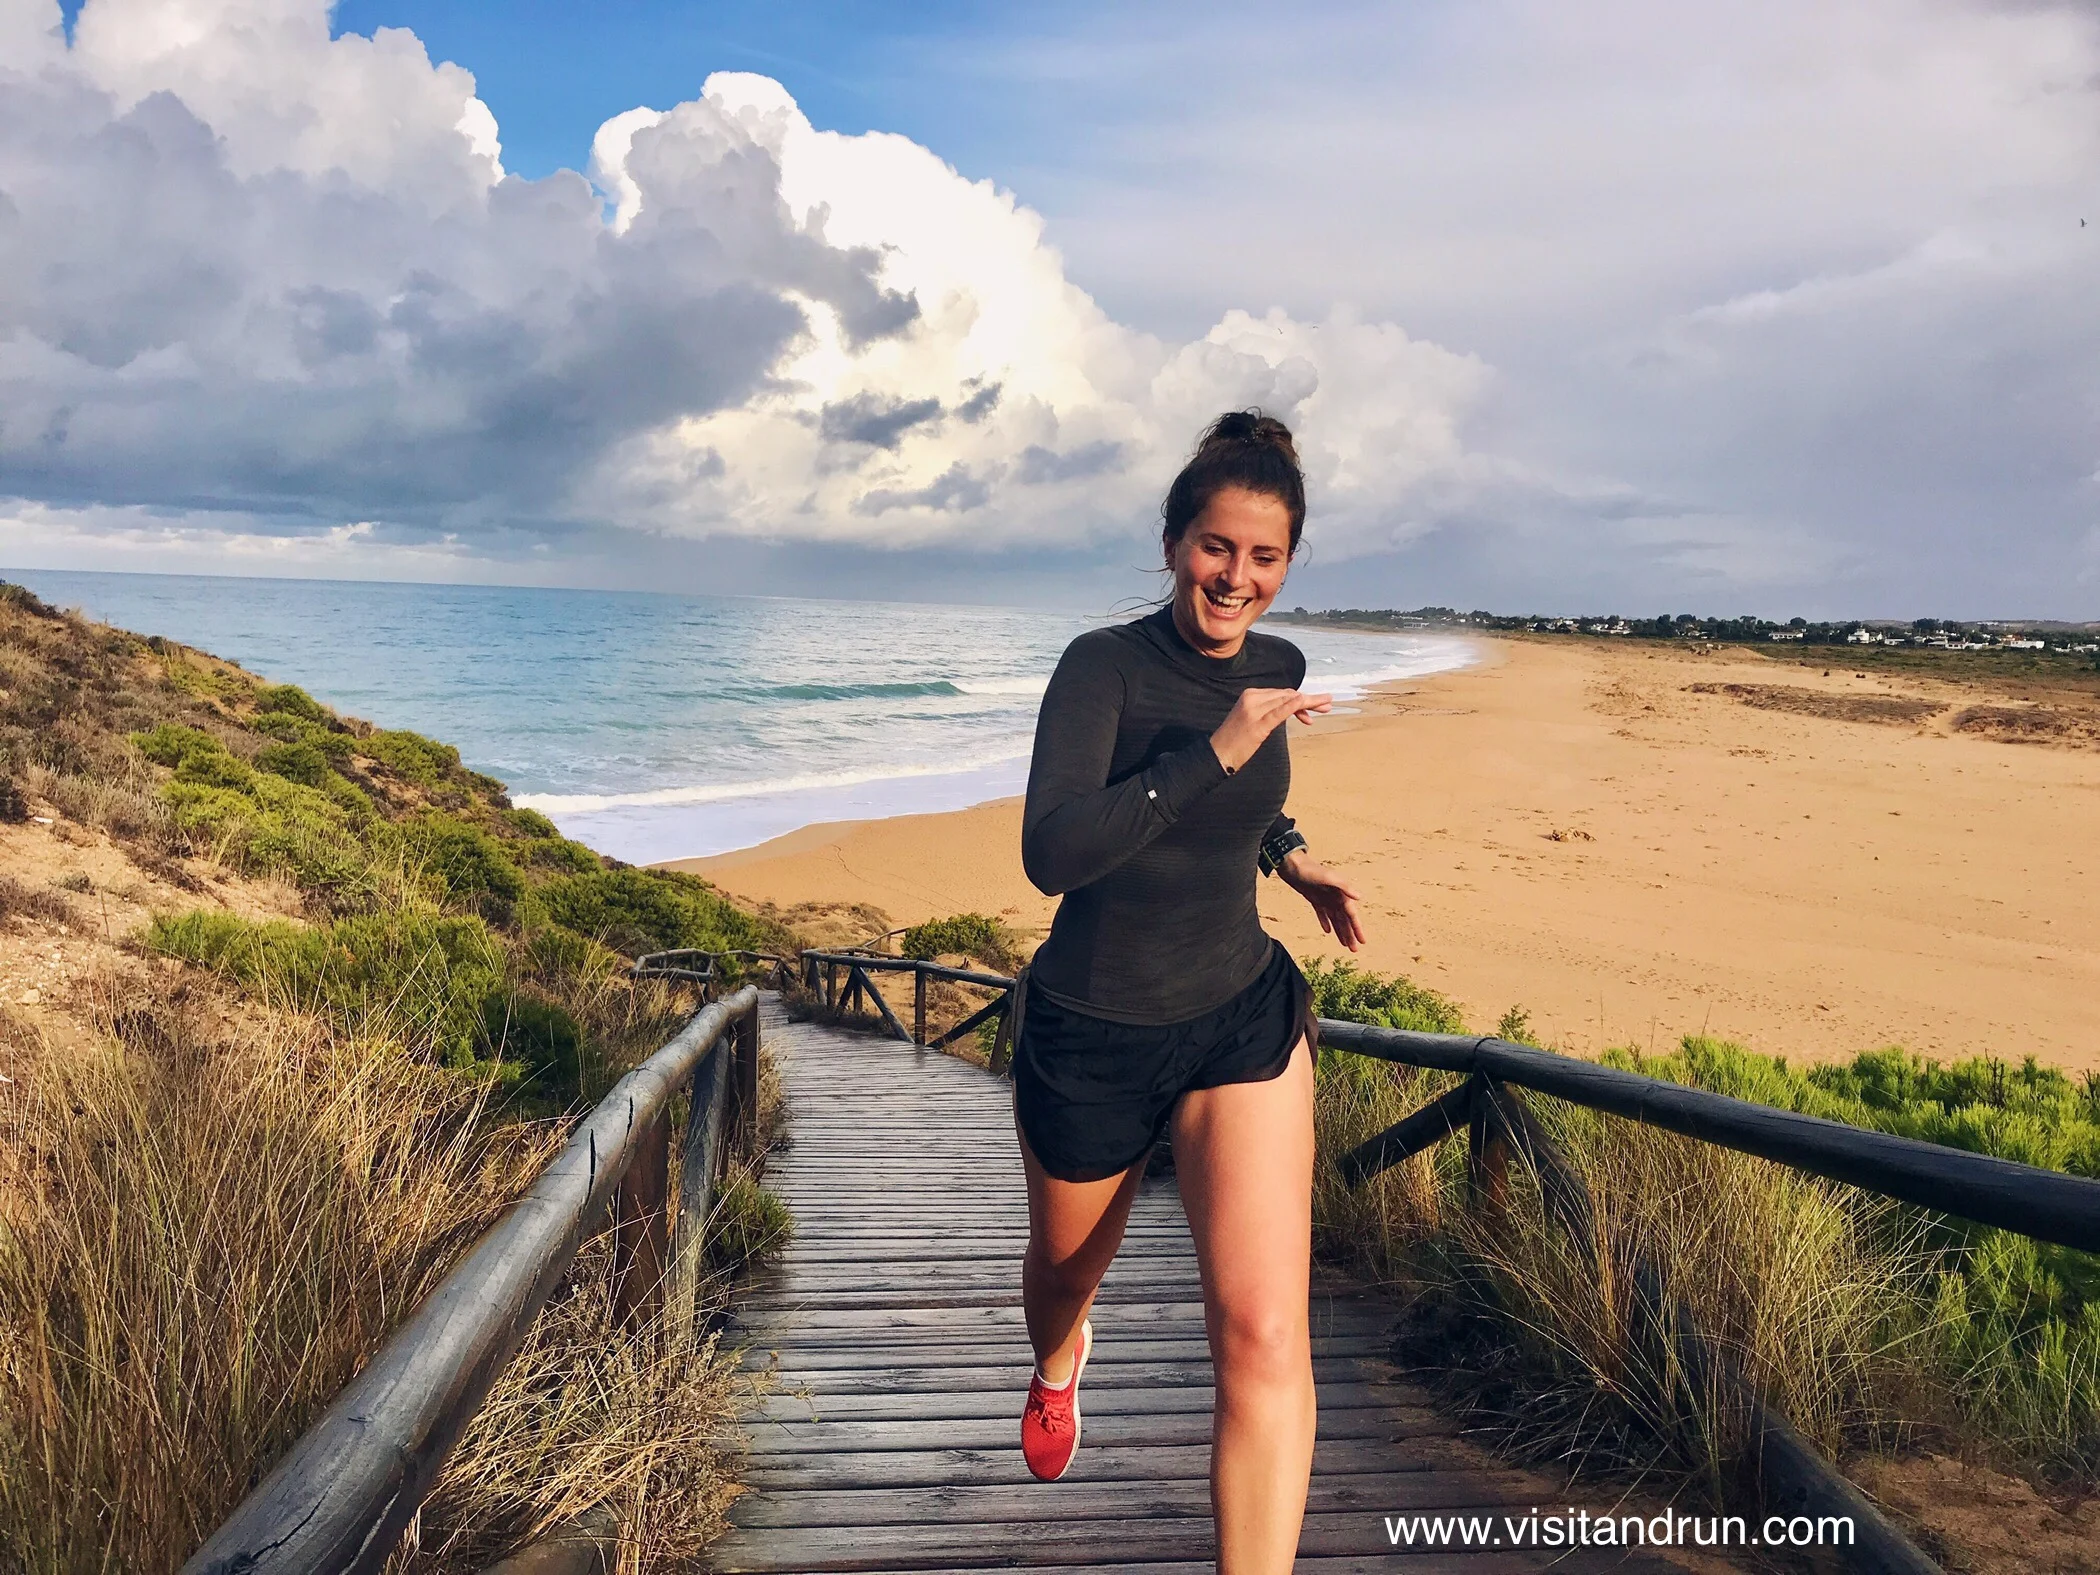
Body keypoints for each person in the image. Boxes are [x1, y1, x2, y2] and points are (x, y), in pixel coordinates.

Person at [1011, 410, 1367, 1573]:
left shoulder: (1278, 666)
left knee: (1265, 1335)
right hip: (1092, 1031)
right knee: (1063, 1273)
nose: (1238, 577)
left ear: (1288, 564)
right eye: (1218, 548)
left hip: (1238, 1015)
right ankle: (1061, 1358)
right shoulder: (1101, 669)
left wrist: (1291, 856)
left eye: (1265, 557)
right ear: (1173, 543)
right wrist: (1211, 748)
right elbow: (1054, 853)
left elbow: (1254, 793)